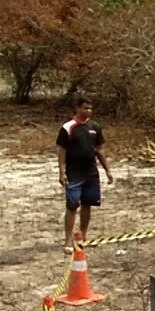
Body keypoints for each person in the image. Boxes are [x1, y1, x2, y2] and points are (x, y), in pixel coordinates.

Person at [57, 97, 114, 254]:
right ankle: (68, 239)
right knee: (72, 205)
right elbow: (62, 151)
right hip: (74, 172)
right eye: (85, 108)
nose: (88, 111)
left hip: (91, 172)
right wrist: (61, 172)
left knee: (87, 204)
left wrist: (107, 170)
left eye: (90, 109)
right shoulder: (68, 127)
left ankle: (82, 236)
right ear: (77, 108)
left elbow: (100, 150)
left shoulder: (95, 127)